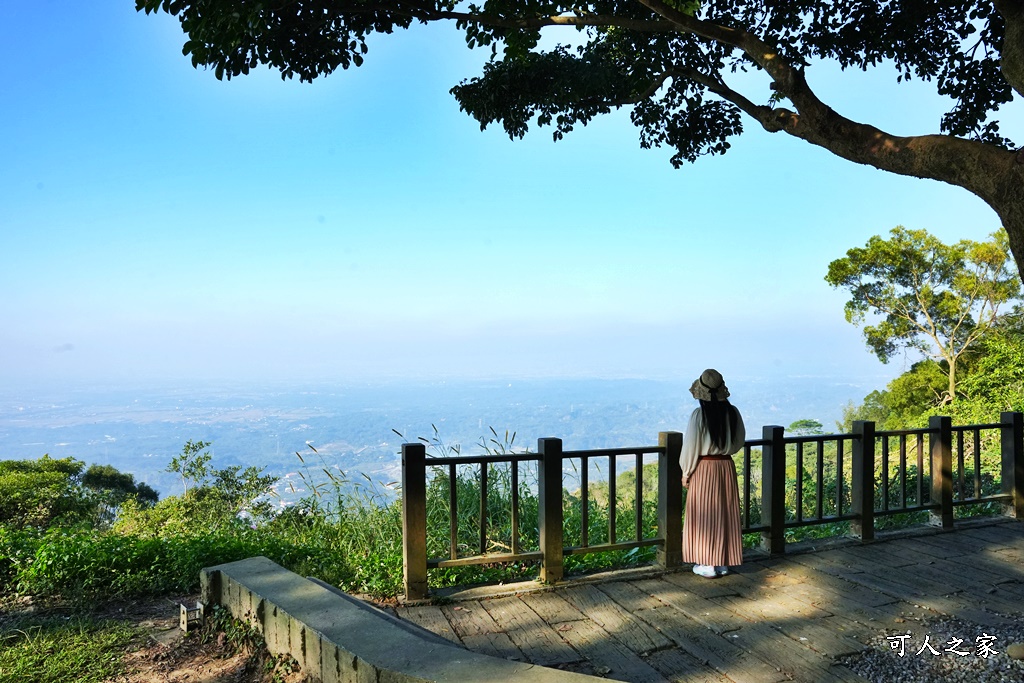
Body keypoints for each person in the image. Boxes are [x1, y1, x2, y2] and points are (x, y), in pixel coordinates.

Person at [680, 368, 745, 578]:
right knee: (724, 512)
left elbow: (691, 446)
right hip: (725, 466)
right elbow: (737, 443)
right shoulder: (732, 412)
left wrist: (686, 472)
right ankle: (722, 562)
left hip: (705, 467)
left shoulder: (699, 415)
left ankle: (707, 563)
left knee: (704, 513)